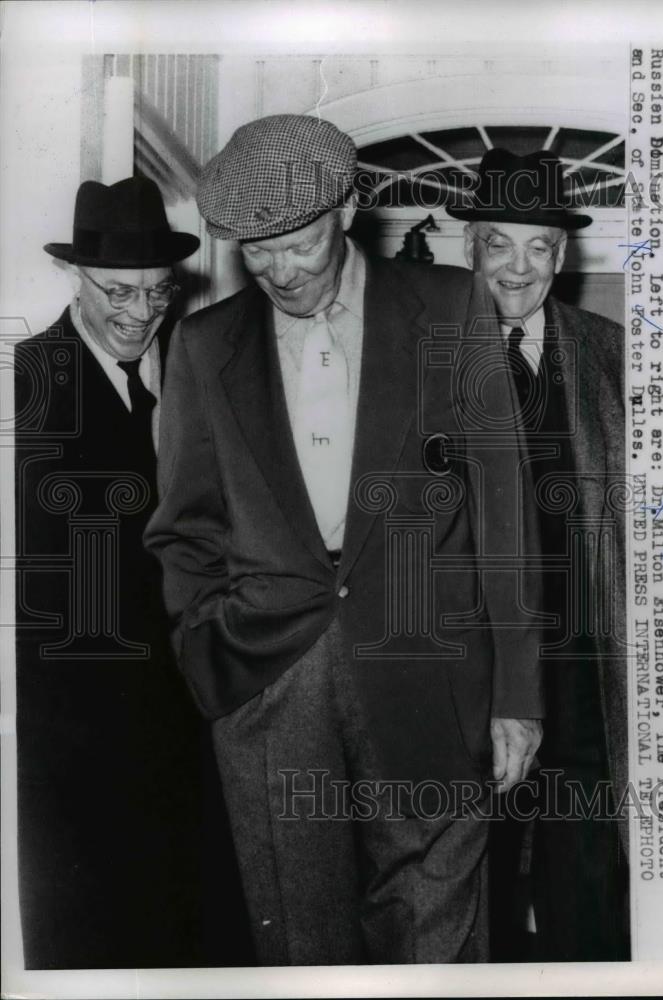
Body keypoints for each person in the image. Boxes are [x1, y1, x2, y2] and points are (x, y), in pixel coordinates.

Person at [144, 114, 544, 965]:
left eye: (299, 244)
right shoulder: (202, 346)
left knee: (438, 926)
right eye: (256, 252)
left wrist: (518, 692)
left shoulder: (448, 305)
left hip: (431, 664)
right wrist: (208, 647)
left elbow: (503, 502)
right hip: (268, 674)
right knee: (301, 938)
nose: (281, 271)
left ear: (349, 209)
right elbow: (183, 526)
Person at [14, 177, 251, 968]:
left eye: (156, 293)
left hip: (178, 711)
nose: (139, 311)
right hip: (78, 728)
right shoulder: (29, 381)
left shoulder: (174, 374)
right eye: (118, 291)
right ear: (75, 279)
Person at [449, 148, 630, 961]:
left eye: (539, 248)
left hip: (587, 649)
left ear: (562, 256)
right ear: (470, 248)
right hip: (473, 655)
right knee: (473, 850)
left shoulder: (609, 350)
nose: (518, 268)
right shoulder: (427, 351)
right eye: (500, 244)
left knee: (586, 851)